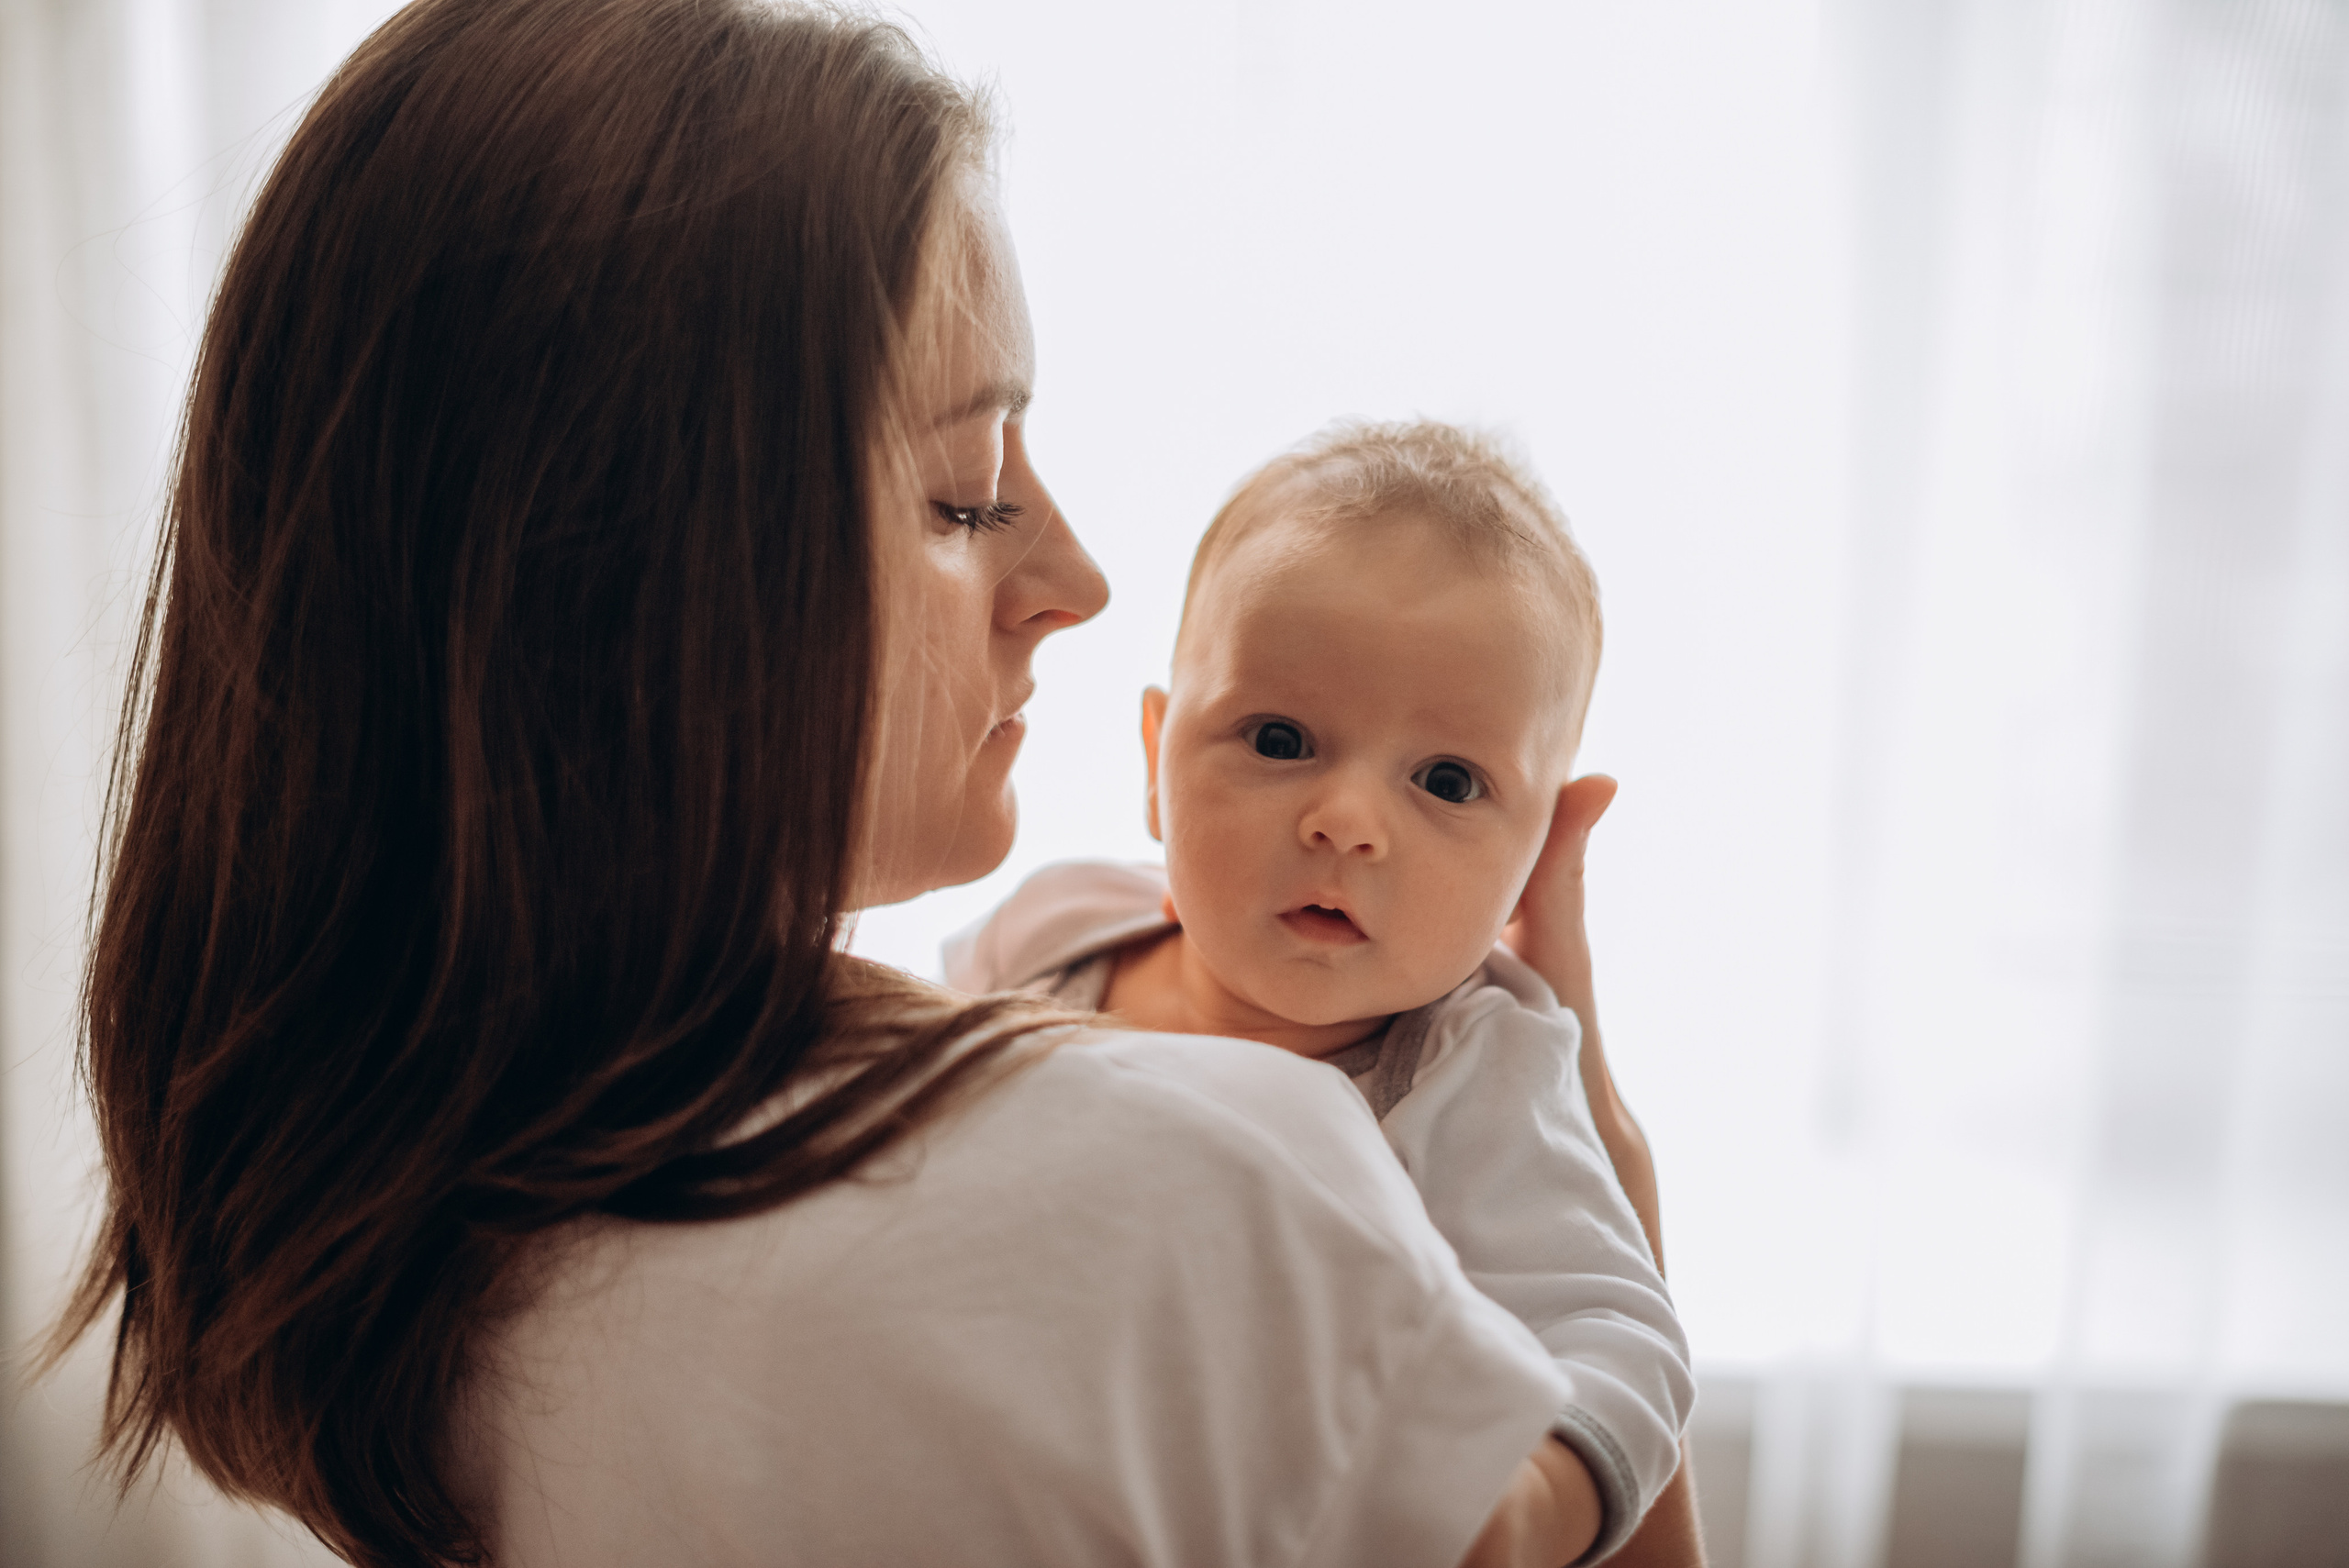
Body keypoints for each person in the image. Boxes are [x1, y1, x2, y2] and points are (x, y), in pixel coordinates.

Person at [45, 2, 1696, 1565]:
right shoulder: (1228, 1184)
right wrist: (1613, 1165)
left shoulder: (403, 1183)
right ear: (647, 583)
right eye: (969, 493)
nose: (1076, 573)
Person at [944, 420, 1695, 1559]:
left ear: (1537, 853)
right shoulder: (1057, 931)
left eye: (1446, 779)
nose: (1344, 820)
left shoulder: (1468, 1071)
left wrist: (1536, 1499)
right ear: (1156, 761)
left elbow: (1614, 1326)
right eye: (1281, 736)